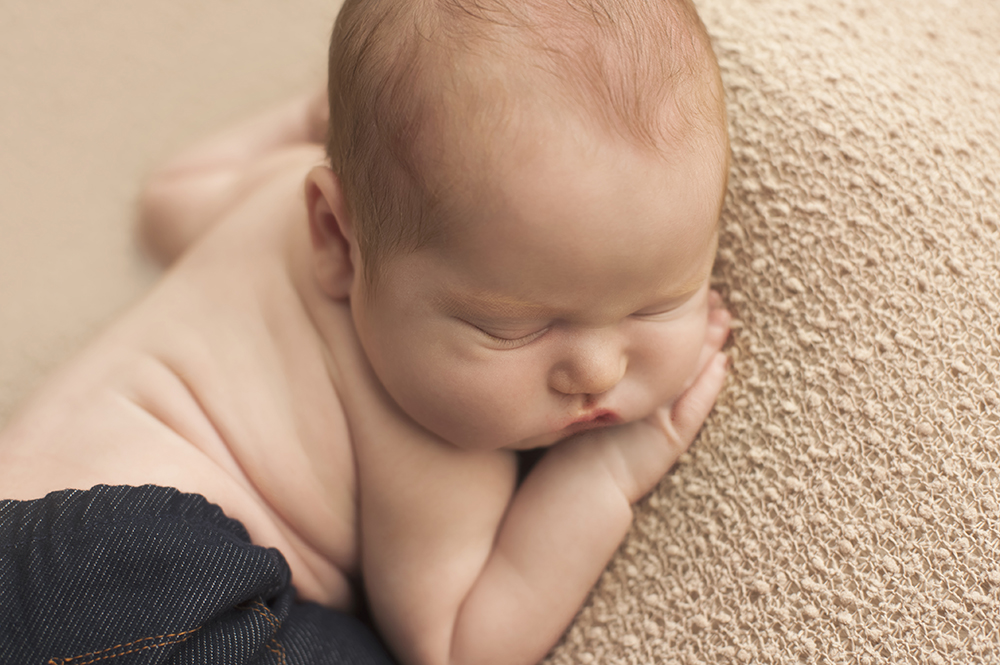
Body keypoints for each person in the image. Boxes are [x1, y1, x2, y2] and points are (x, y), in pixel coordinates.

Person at [0, 1, 732, 663]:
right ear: (338, 241)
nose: (598, 371)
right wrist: (609, 470)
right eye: (513, 327)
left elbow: (169, 196)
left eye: (656, 305)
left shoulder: (276, 187)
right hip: (140, 583)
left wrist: (308, 122)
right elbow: (458, 644)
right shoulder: (438, 427)